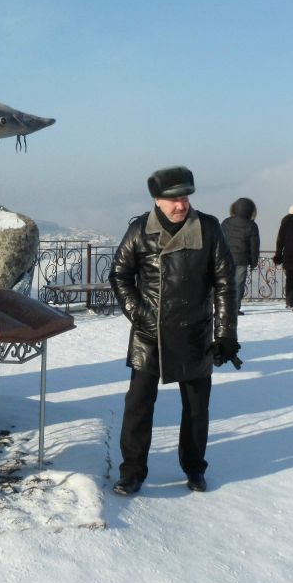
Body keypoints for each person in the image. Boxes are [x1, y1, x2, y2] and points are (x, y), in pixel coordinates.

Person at [108, 166, 238, 496]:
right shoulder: (140, 229)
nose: (181, 205)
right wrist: (139, 313)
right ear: (157, 200)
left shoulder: (207, 228)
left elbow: (225, 282)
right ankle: (132, 471)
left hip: (194, 332)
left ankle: (195, 468)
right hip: (149, 335)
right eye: (174, 200)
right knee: (138, 405)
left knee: (196, 408)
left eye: (185, 198)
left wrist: (225, 333)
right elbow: (119, 275)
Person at [221, 198, 260, 315]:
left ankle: (223, 307)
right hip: (242, 259)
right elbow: (254, 246)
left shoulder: (226, 222)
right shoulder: (252, 225)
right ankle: (234, 308)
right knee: (238, 285)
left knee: (225, 283)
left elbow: (219, 240)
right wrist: (254, 261)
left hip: (225, 258)